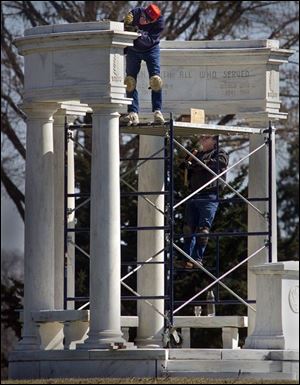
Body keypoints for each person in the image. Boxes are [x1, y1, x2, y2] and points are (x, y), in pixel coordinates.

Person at [179, 135, 229, 267]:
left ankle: (197, 258)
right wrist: (190, 163)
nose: (201, 141)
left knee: (203, 230)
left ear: (214, 141)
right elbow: (185, 166)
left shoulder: (220, 153)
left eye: (205, 138)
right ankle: (187, 258)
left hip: (209, 195)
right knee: (188, 229)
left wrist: (200, 164)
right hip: (194, 194)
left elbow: (219, 163)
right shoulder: (196, 154)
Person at [121, 4, 165, 126]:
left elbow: (149, 41)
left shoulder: (159, 23)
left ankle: (157, 111)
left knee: (156, 80)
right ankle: (132, 112)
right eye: (144, 17)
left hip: (151, 49)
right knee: (130, 81)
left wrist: (136, 32)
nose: (143, 21)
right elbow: (123, 26)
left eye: (148, 20)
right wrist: (122, 25)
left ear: (154, 20)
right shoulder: (135, 13)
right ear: (143, 12)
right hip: (133, 50)